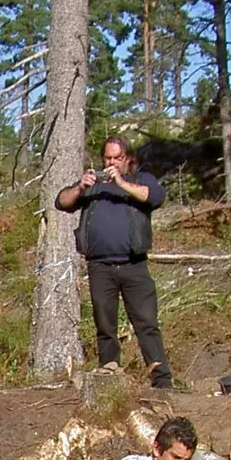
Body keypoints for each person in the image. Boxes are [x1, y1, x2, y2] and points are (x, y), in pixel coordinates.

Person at [56, 136, 173, 389]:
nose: (110, 162)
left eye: (116, 158)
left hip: (134, 266)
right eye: (107, 157)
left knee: (146, 325)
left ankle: (162, 382)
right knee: (105, 327)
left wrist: (121, 183)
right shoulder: (93, 184)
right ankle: (109, 382)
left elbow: (155, 196)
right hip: (100, 268)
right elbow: (61, 201)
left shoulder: (140, 179)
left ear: (127, 158)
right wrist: (79, 188)